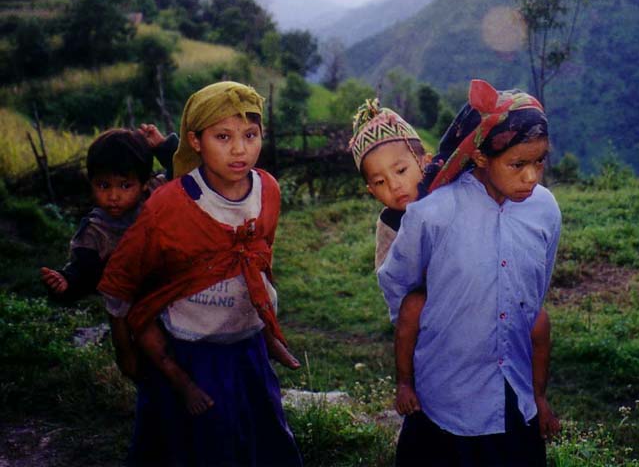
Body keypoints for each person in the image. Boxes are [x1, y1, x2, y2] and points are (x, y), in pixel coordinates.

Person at [98, 81, 303, 466]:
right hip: (194, 351)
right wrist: (124, 349)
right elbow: (122, 278)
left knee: (264, 435)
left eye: (250, 135)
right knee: (204, 444)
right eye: (223, 137)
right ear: (195, 141)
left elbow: (261, 256)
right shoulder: (170, 205)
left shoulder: (268, 190)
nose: (240, 149)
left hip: (248, 343)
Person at [378, 79, 562, 466]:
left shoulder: (545, 210)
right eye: (518, 164)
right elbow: (400, 285)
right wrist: (426, 338)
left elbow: (535, 291)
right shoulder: (434, 215)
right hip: (445, 396)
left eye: (539, 161)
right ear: (480, 157)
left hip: (514, 393)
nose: (532, 177)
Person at [39, 126, 178, 380]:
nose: (113, 196)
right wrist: (67, 282)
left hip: (169, 292)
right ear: (91, 183)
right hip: (128, 308)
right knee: (138, 359)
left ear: (143, 183)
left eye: (125, 185)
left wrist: (162, 146)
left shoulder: (156, 193)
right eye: (103, 185)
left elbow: (184, 170)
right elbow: (84, 268)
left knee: (177, 355)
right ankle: (130, 364)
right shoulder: (96, 230)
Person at [348, 98, 431, 416]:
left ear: (424, 162)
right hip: (420, 314)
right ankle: (405, 382)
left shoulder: (445, 199)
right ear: (370, 190)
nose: (395, 186)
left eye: (401, 170)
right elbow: (389, 275)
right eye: (380, 182)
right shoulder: (389, 223)